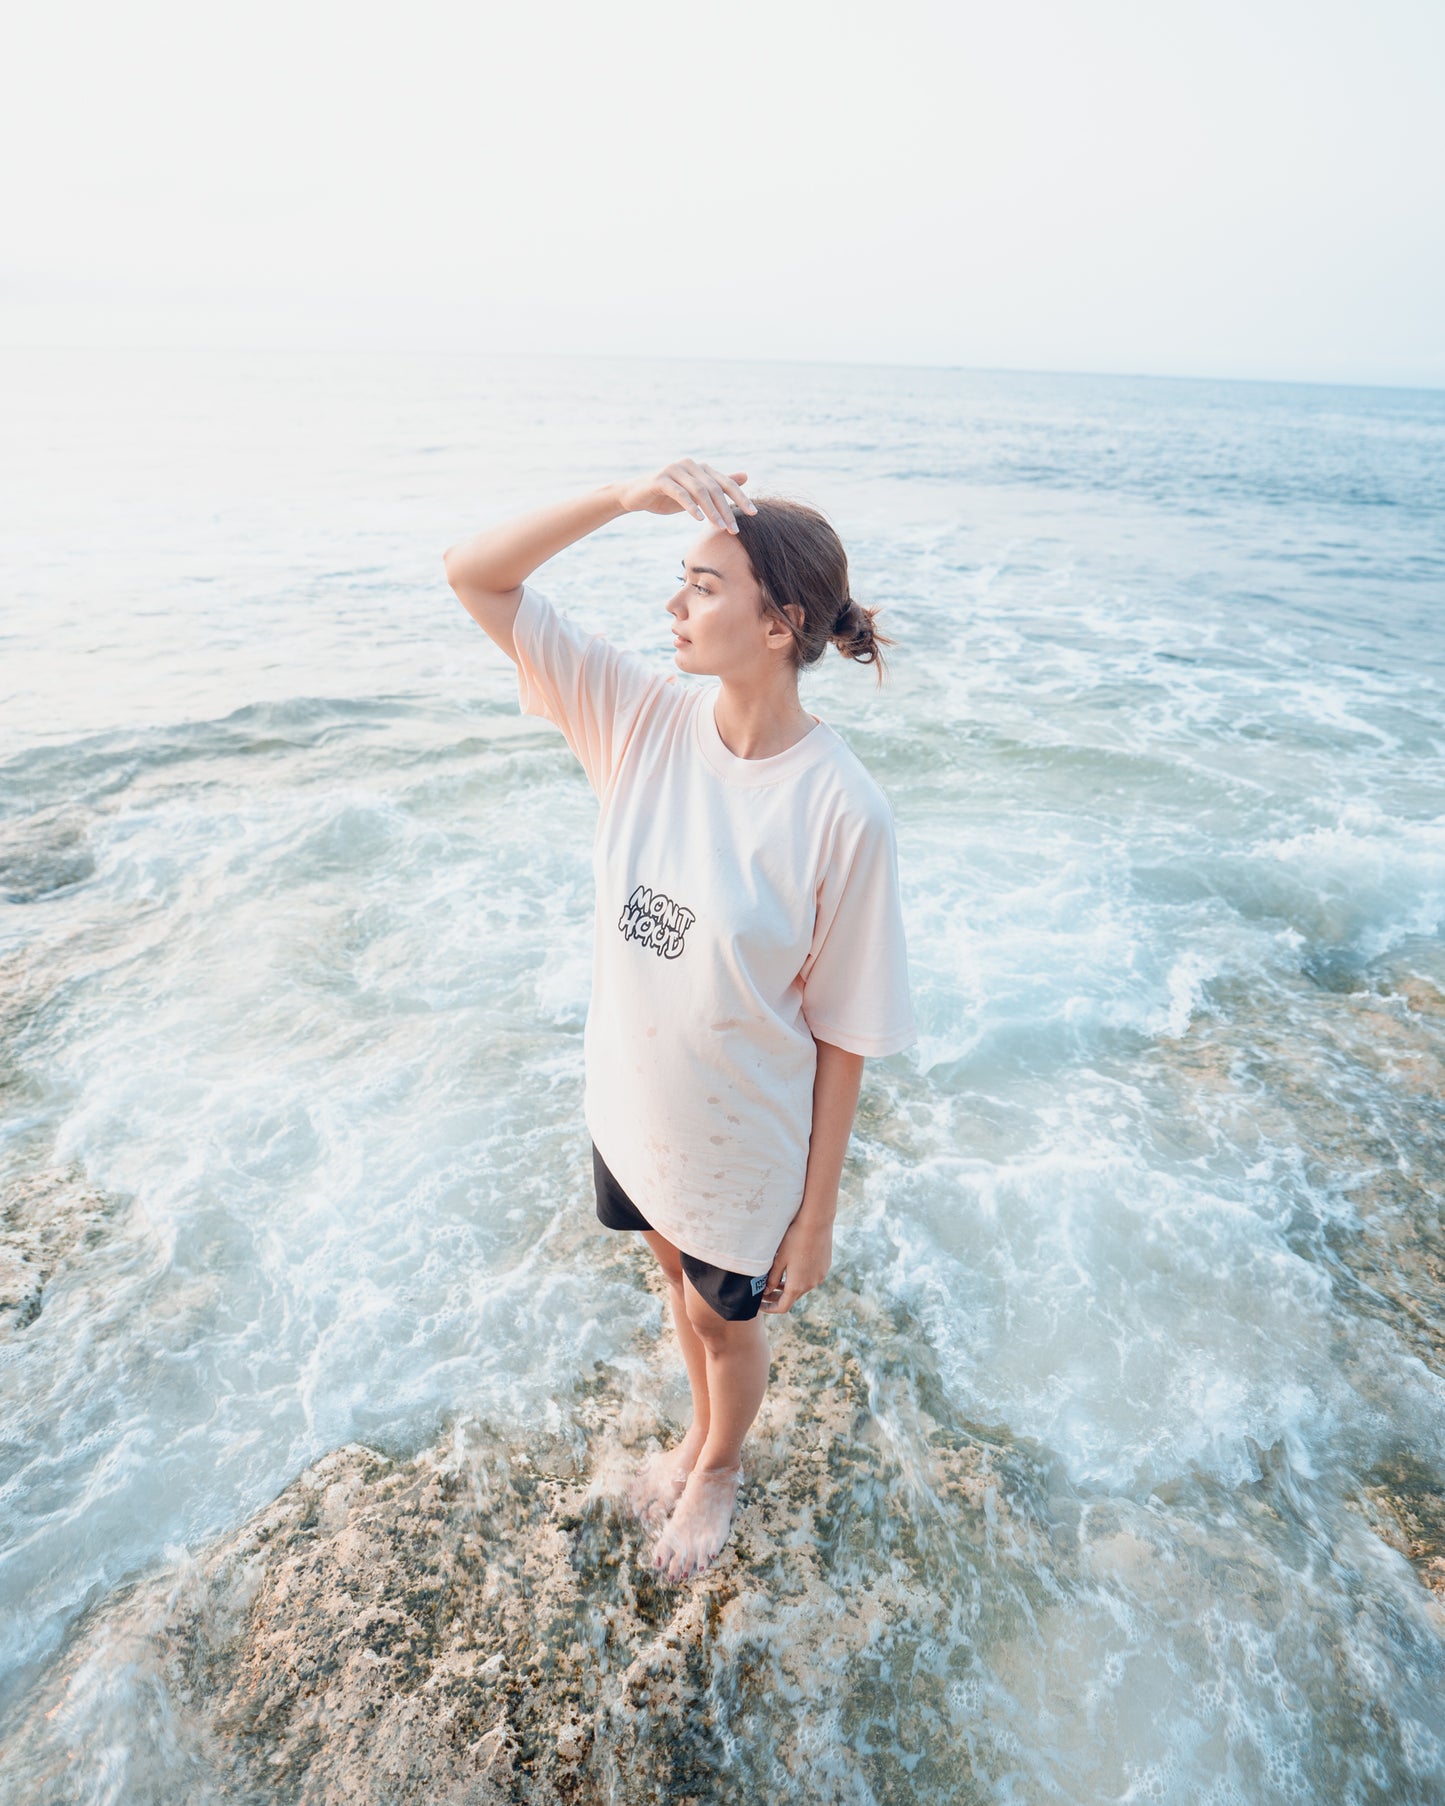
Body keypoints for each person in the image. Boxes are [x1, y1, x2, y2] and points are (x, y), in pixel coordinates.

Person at [443, 457, 917, 1582]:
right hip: (633, 1105)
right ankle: (696, 1433)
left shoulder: (841, 810)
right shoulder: (639, 721)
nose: (673, 606)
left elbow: (846, 1028)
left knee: (726, 1324)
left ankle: (717, 1465)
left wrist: (815, 1216)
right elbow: (475, 576)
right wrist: (618, 496)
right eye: (680, 579)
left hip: (743, 1148)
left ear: (778, 622)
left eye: (703, 586)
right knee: (671, 1288)